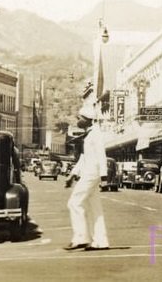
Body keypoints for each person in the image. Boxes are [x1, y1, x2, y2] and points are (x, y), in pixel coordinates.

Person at [64, 102, 109, 251]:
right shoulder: (89, 134)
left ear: (88, 119)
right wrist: (72, 174)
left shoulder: (96, 134)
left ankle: (81, 238)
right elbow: (83, 158)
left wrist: (104, 177)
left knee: (74, 202)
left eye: (80, 117)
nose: (78, 120)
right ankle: (100, 241)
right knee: (95, 207)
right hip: (90, 172)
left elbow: (101, 156)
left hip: (92, 173)